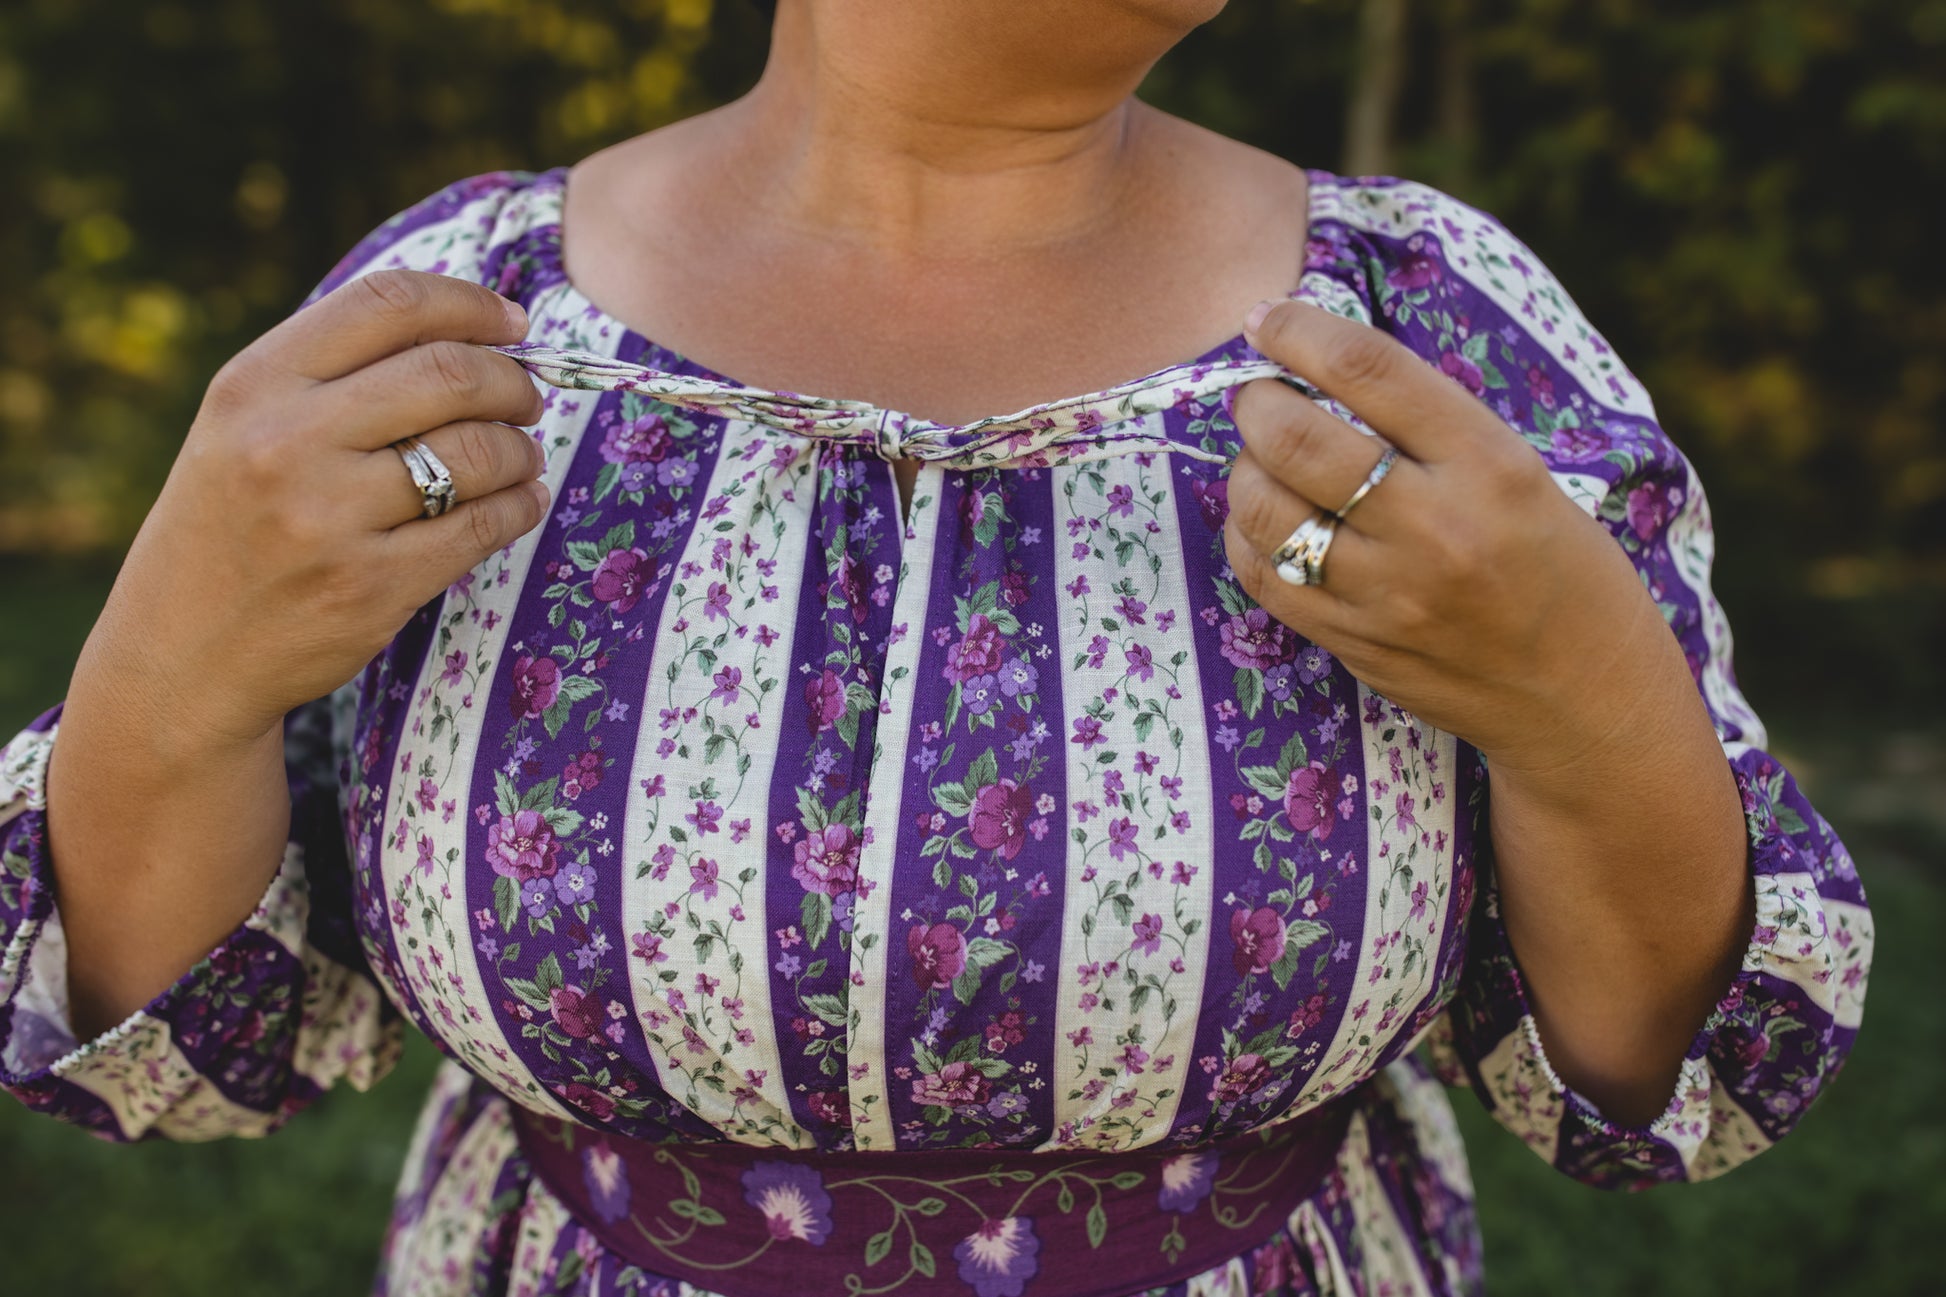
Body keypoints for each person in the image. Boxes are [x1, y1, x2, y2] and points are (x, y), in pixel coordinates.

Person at [0, 2, 1872, 1294]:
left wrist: (1581, 702)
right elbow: (188, 1041)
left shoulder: (1429, 326)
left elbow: (1663, 1075)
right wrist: (175, 665)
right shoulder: (461, 318)